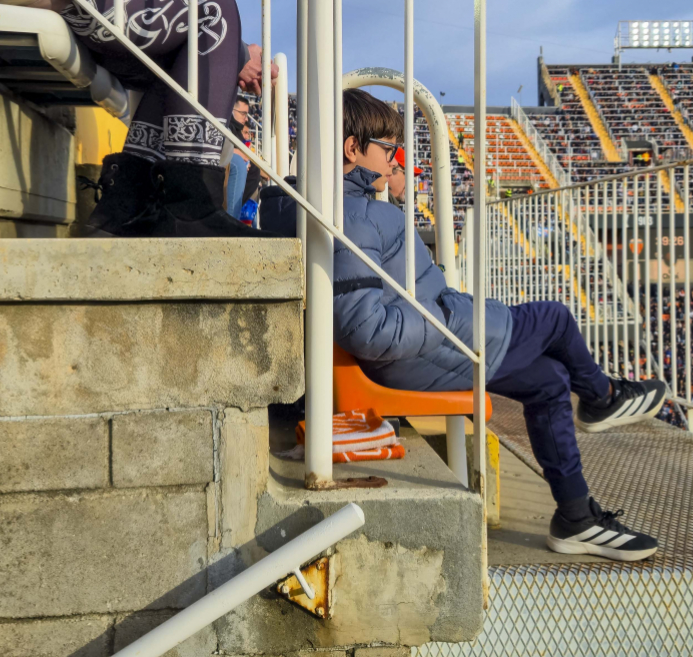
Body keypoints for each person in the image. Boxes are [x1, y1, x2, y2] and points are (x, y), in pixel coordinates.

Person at [261, 89, 668, 562]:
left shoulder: (338, 206)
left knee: (549, 380)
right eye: (388, 150)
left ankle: (575, 518)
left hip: (424, 343)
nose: (395, 161)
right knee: (555, 319)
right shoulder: (355, 216)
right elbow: (368, 332)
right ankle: (603, 399)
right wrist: (445, 319)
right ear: (353, 150)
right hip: (424, 350)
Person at [0, 0, 275, 237]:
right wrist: (235, 53)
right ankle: (188, 207)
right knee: (212, 7)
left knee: (189, 40)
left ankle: (124, 206)